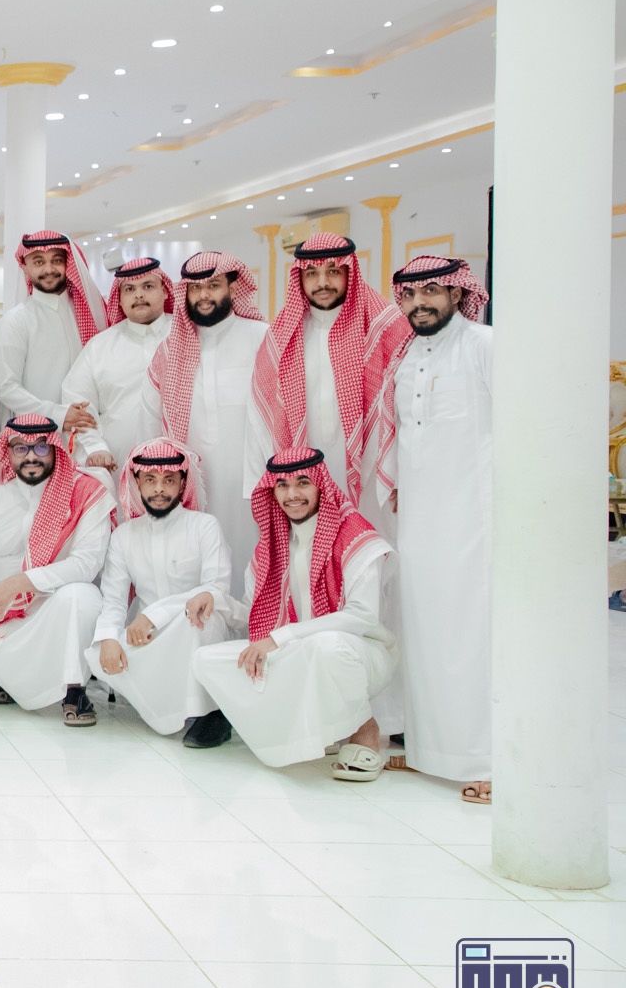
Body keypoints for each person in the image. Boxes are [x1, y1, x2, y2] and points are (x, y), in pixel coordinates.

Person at [364, 257, 494, 802]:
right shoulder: (406, 355)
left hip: (476, 518)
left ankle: (487, 761)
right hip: (418, 518)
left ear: (457, 294)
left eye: (432, 291)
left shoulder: (486, 345)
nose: (419, 304)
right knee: (421, 628)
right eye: (409, 295)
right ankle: (427, 750)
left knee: (472, 633)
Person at [191, 446, 395, 779]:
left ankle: (364, 730)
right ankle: (308, 728)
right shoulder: (271, 546)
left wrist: (281, 637)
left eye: (303, 483)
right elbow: (254, 614)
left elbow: (362, 617)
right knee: (206, 659)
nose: (292, 494)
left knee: (326, 645)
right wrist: (215, 600)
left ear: (320, 485)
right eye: (282, 485)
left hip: (360, 655)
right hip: (297, 653)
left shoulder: (355, 535)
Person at [0, 414, 113, 725]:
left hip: (54, 610)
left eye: (41, 447)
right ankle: (12, 681)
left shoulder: (85, 493)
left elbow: (87, 563)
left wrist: (21, 582)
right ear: (7, 452)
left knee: (82, 598)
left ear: (55, 449)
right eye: (20, 448)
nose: (31, 456)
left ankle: (73, 689)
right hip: (5, 613)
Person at [83, 438, 234, 747]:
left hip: (194, 627)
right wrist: (109, 638)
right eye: (150, 480)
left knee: (199, 618)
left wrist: (154, 614)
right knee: (98, 654)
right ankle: (168, 705)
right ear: (137, 482)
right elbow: (114, 599)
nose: (159, 489)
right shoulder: (124, 536)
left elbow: (215, 588)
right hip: (148, 636)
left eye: (169, 480)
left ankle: (209, 715)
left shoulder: (204, 526)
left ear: (182, 483)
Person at [142, 252, 268, 586]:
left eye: (213, 285)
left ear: (233, 287)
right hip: (195, 482)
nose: (203, 295)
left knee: (252, 558)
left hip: (251, 478)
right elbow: (150, 416)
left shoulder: (261, 337)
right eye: (195, 288)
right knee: (198, 561)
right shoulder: (171, 349)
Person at [245, 233, 390, 503]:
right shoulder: (281, 338)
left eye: (333, 271)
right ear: (299, 278)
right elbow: (258, 417)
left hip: (373, 475)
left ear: (350, 272)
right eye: (312, 273)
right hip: (303, 478)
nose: (322, 283)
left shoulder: (382, 329)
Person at [60, 256, 171, 473]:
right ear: (119, 299)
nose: (138, 294)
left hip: (182, 464)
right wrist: (95, 448)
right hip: (117, 463)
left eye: (148, 286)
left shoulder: (187, 336)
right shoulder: (100, 346)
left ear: (165, 291)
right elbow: (77, 402)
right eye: (129, 289)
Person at [0, 231, 105, 430]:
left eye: (57, 260)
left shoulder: (84, 312)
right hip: (40, 435)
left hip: (90, 430)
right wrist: (59, 415)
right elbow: (8, 389)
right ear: (25, 268)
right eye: (38, 262)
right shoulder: (15, 321)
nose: (49, 269)